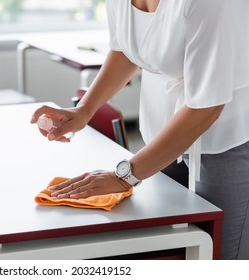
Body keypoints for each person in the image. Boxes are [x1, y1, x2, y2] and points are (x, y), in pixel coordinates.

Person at [31, 0, 249, 260]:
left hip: (225, 141)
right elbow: (124, 50)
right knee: (176, 248)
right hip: (161, 137)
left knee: (220, 257)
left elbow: (206, 107)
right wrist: (85, 110)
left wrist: (124, 175)